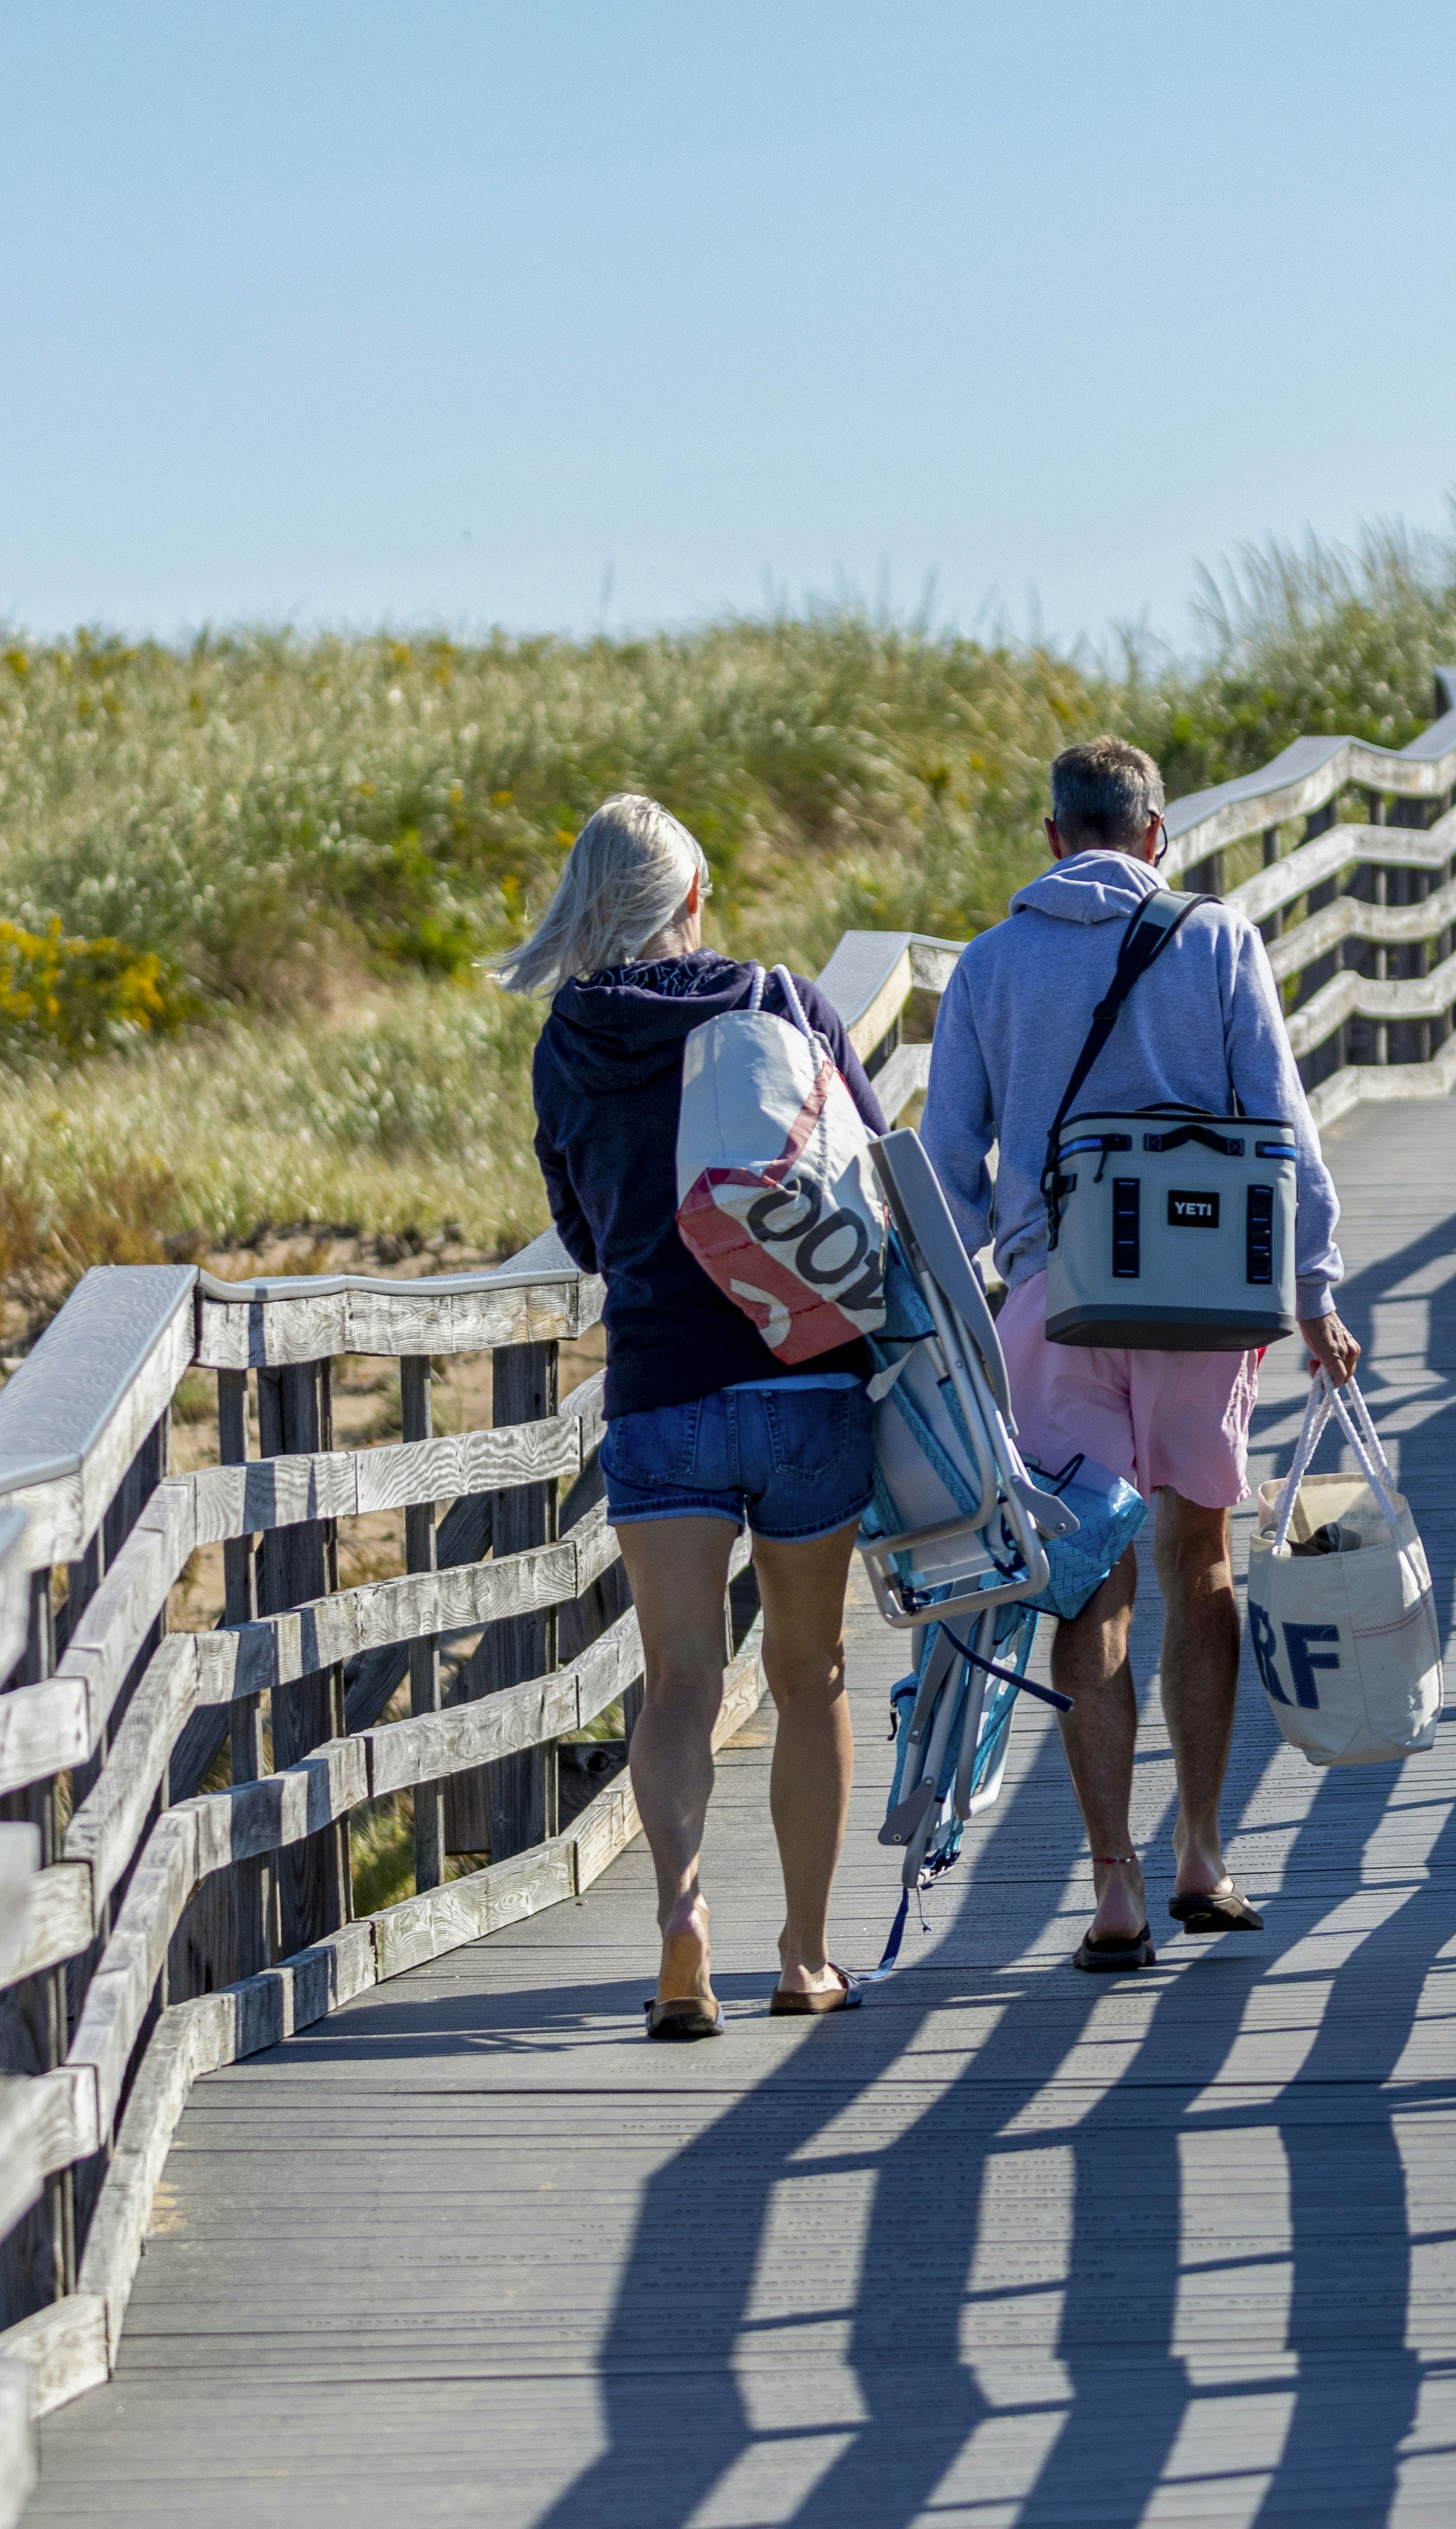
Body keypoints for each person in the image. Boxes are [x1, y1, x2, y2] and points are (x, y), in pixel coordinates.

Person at [922, 739, 1357, 1972]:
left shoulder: (991, 965)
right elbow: (1279, 1124)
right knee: (1198, 1558)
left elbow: (949, 1171)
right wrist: (1315, 1286)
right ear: (1156, 835)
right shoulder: (1217, 942)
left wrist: (951, 1316)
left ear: (1053, 836)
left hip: (1058, 1300)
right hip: (1204, 1290)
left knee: (1090, 1576)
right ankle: (1203, 1852)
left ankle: (1112, 1884)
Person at [500, 795, 874, 2033]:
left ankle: (679, 1923)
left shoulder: (566, 1042)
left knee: (675, 1688)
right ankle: (807, 1954)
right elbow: (868, 1166)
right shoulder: (779, 1002)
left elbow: (579, 1227)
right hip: (807, 1376)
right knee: (809, 1670)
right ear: (694, 898)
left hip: (661, 1390)